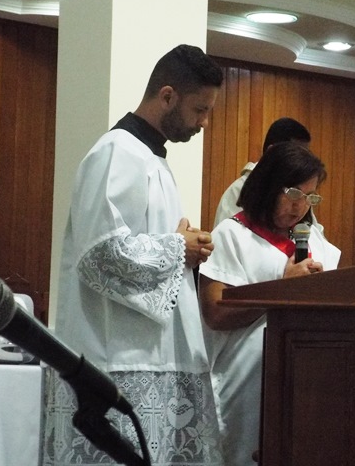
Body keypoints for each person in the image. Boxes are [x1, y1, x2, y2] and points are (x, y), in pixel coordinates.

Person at [44, 45, 224, 466]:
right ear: (167, 96)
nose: (204, 122)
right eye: (199, 110)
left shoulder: (152, 159)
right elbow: (101, 253)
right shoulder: (116, 152)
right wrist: (178, 247)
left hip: (157, 356)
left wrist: (183, 248)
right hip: (117, 359)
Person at [198, 141, 342, 466]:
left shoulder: (314, 240)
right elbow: (215, 313)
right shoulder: (232, 235)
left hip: (308, 383)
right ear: (268, 186)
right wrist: (282, 290)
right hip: (245, 384)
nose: (300, 206)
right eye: (293, 194)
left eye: (310, 197)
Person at [213, 117, 313, 228]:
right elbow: (230, 234)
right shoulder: (239, 190)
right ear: (271, 152)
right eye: (294, 156)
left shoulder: (303, 195)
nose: (302, 162)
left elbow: (313, 232)